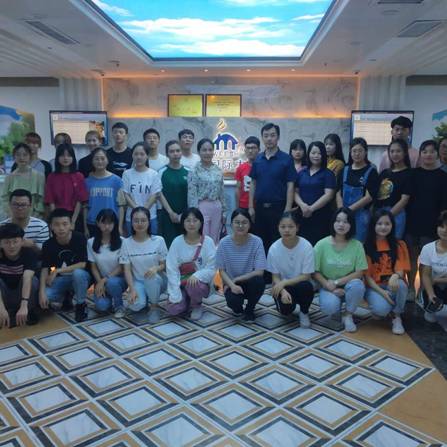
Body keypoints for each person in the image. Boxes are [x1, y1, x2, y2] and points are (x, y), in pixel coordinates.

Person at [314, 207, 367, 332]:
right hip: (328, 285)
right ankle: (335, 311)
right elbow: (314, 271)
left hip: (349, 285)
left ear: (351, 225)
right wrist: (329, 286)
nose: (341, 225)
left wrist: (337, 282)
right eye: (337, 221)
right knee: (330, 307)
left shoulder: (357, 245)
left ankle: (348, 315)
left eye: (345, 221)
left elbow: (360, 272)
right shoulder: (321, 244)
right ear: (333, 223)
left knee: (358, 285)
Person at [249, 123, 296, 255]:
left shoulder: (286, 159)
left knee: (278, 242)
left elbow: (290, 185)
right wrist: (251, 207)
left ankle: (277, 269)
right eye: (266, 136)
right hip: (260, 208)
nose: (269, 138)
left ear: (278, 137)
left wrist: (287, 209)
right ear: (262, 138)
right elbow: (253, 183)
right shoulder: (258, 159)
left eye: (272, 135)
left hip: (279, 208)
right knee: (260, 243)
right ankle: (262, 269)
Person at [406, 140, 447, 292]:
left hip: (431, 225)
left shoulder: (443, 177)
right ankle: (411, 288)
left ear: (437, 154)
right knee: (411, 258)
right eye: (425, 152)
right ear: (420, 154)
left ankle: (423, 291)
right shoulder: (413, 174)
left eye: (432, 151)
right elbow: (406, 199)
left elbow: (444, 205)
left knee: (426, 262)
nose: (428, 155)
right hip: (412, 223)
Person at [39, 209, 90, 322]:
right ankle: (67, 296)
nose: (61, 228)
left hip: (81, 277)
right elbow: (45, 268)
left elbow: (83, 264)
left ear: (71, 225)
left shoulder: (79, 238)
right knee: (46, 296)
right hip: (61, 279)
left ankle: (81, 304)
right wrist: (42, 292)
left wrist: (57, 271)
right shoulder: (48, 244)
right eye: (57, 224)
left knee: (78, 274)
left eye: (65, 224)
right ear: (51, 226)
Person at [364, 210, 410, 334]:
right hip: (374, 287)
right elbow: (367, 277)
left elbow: (401, 269)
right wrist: (383, 294)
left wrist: (395, 276)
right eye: (379, 224)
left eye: (387, 224)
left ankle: (396, 315)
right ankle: (383, 308)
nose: (383, 227)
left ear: (392, 225)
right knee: (381, 309)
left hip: (392, 285)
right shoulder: (366, 246)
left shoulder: (399, 244)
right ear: (373, 225)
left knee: (402, 285)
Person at [166, 208, 216, 320]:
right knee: (174, 310)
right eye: (188, 220)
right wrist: (175, 292)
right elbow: (171, 268)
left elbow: (212, 268)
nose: (191, 224)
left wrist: (197, 275)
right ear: (183, 223)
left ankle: (196, 305)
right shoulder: (177, 242)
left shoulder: (208, 242)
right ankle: (186, 299)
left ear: (201, 222)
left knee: (194, 285)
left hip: (198, 283)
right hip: (181, 282)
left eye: (195, 220)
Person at [217, 209, 266, 322]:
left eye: (244, 222)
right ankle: (238, 308)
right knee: (234, 303)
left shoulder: (257, 241)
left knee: (259, 281)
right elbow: (221, 270)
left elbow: (260, 271)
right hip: (230, 283)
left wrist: (237, 279)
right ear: (231, 224)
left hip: (249, 281)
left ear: (249, 224)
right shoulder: (224, 243)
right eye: (237, 222)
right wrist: (232, 284)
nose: (240, 226)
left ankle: (250, 309)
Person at [267, 211, 315, 327]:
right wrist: (283, 291)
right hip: (283, 287)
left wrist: (284, 282)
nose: (287, 230)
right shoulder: (274, 248)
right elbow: (275, 277)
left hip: (300, 284)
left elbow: (306, 276)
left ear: (297, 228)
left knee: (307, 286)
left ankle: (304, 312)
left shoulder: (306, 246)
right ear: (278, 228)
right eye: (283, 227)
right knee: (286, 311)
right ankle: (287, 305)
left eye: (290, 226)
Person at [120, 207, 167, 323]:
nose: (139, 224)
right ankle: (143, 302)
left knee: (151, 278)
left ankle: (154, 307)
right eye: (136, 220)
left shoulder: (159, 240)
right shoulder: (126, 243)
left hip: (157, 280)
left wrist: (156, 268)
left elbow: (165, 264)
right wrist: (131, 289)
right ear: (131, 222)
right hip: (138, 281)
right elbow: (127, 270)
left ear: (149, 221)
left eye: (143, 220)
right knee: (134, 304)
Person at [336, 137, 379, 242]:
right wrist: (341, 210)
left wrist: (349, 210)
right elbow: (338, 192)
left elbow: (369, 197)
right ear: (350, 152)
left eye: (360, 151)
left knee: (359, 244)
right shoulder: (344, 170)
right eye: (354, 151)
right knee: (343, 242)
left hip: (361, 216)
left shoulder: (371, 171)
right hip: (343, 215)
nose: (357, 154)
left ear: (366, 152)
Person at [295, 141, 336, 245]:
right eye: (313, 153)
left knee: (319, 245)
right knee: (302, 244)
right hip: (302, 214)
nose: (316, 156)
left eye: (319, 153)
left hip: (321, 216)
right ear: (308, 154)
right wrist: (302, 205)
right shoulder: (302, 173)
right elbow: (295, 192)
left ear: (324, 155)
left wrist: (311, 209)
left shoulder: (328, 174)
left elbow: (329, 195)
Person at [88, 209, 126, 317]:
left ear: (115, 224)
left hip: (119, 280)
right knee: (102, 306)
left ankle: (119, 306)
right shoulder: (91, 242)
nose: (107, 226)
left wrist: (104, 280)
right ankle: (108, 299)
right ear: (97, 223)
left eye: (110, 223)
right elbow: (93, 267)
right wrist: (99, 282)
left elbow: (121, 267)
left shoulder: (123, 241)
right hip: (100, 280)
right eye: (103, 223)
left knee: (112, 283)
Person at [188, 138, 226, 245]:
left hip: (217, 207)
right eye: (204, 150)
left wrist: (224, 211)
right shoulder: (194, 170)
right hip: (201, 207)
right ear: (199, 152)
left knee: (215, 238)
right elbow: (191, 194)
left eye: (210, 150)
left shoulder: (218, 170)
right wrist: (193, 213)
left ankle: (213, 256)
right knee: (203, 237)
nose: (207, 153)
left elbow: (222, 191)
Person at [0, 223, 39, 328]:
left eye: (15, 241)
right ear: (1, 244)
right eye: (7, 242)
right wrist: (1, 309)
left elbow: (27, 279)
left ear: (22, 241)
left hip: (22, 294)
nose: (11, 246)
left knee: (33, 280)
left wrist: (24, 305)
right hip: (4, 294)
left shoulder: (28, 253)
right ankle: (6, 313)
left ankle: (28, 311)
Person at [45, 143, 88, 230]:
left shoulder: (79, 176)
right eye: (62, 155)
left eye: (69, 155)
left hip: (74, 216)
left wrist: (73, 221)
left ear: (73, 158)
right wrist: (56, 220)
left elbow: (80, 201)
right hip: (57, 215)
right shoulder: (52, 177)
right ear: (57, 157)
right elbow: (50, 201)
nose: (65, 158)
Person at [122, 142, 162, 236]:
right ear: (132, 155)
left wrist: (143, 211)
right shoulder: (127, 174)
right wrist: (136, 210)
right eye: (136, 154)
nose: (139, 157)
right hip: (131, 217)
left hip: (150, 217)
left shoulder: (153, 174)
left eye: (142, 154)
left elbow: (154, 195)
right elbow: (125, 194)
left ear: (147, 156)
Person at [375, 139, 412, 239]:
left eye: (398, 151)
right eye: (392, 151)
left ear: (405, 153)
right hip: (379, 212)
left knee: (394, 243)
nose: (395, 154)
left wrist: (388, 216)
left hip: (396, 213)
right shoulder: (384, 173)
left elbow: (404, 200)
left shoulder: (409, 173)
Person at [84, 148, 124, 238]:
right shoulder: (87, 182)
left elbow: (121, 206)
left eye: (102, 158)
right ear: (92, 161)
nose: (100, 161)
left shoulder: (117, 181)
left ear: (107, 160)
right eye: (96, 159)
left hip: (111, 224)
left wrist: (120, 226)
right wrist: (85, 227)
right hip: (92, 223)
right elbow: (85, 207)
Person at [2, 143, 45, 218]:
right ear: (14, 157)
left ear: (30, 157)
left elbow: (41, 200)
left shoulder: (39, 176)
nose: (21, 158)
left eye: (25, 155)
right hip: (13, 218)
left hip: (35, 217)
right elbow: (4, 199)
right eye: (18, 155)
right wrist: (11, 214)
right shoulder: (9, 177)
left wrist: (34, 216)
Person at [159, 140, 189, 247]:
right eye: (172, 151)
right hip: (167, 215)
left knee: (185, 244)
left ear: (181, 152)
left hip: (185, 216)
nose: (175, 154)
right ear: (167, 154)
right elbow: (159, 193)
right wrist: (171, 213)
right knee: (169, 245)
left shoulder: (189, 171)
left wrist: (183, 214)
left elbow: (192, 195)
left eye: (178, 151)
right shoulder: (161, 172)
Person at [0, 189, 49, 255]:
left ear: (30, 206)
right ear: (10, 205)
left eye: (23, 205)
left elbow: (45, 255)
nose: (19, 208)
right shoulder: (2, 226)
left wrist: (33, 246)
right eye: (16, 204)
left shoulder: (41, 227)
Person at [420, 210, 447, 323]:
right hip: (434, 287)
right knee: (430, 318)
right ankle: (429, 305)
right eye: (441, 226)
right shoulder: (428, 248)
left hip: (440, 283)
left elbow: (432, 278)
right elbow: (425, 275)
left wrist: (436, 279)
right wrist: (431, 295)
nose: (444, 230)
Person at [234, 136, 260, 210]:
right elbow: (238, 189)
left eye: (253, 148)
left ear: (259, 150)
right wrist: (237, 208)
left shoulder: (264, 167)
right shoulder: (240, 168)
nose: (250, 151)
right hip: (243, 206)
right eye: (248, 148)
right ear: (245, 150)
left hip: (259, 205)